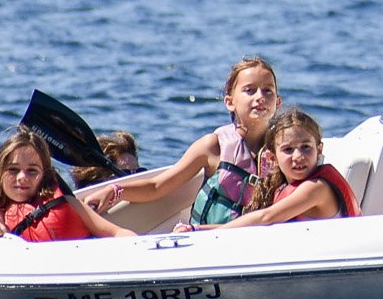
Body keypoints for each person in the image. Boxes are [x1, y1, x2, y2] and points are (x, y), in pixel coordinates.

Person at [105, 57, 279, 226]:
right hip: (211, 239)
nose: (260, 97)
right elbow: (156, 186)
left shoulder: (286, 150)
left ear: (277, 103)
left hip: (261, 240)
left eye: (268, 90)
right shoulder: (213, 146)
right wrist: (115, 191)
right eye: (250, 90)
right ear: (229, 102)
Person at [0, 128, 134, 244]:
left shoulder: (65, 200)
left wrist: (137, 245)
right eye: (13, 170)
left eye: (32, 170)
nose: (22, 177)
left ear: (44, 175)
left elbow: (114, 232)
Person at [181, 109, 356, 229]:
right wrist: (198, 230)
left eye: (306, 147)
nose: (298, 156)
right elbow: (254, 224)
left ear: (319, 151)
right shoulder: (282, 188)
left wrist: (207, 236)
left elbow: (265, 218)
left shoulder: (316, 188)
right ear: (272, 158)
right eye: (288, 149)